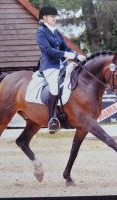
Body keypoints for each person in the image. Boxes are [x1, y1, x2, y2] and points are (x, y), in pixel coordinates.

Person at [36, 5, 86, 133]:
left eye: (55, 16)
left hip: (62, 65)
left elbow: (65, 47)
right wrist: (65, 54)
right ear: (44, 17)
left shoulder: (56, 31)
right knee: (54, 87)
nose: (54, 18)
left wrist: (76, 55)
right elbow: (47, 50)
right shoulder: (41, 32)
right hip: (49, 66)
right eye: (52, 16)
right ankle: (51, 119)